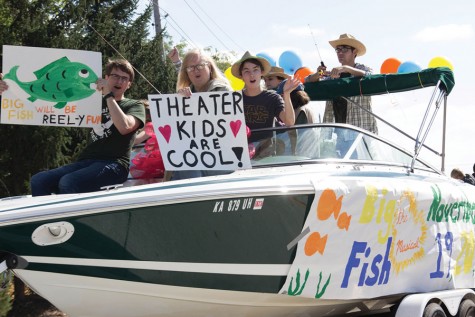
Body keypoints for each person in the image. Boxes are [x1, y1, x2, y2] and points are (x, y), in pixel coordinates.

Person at [0, 58, 146, 196]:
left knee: (69, 181)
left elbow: (124, 127)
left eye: (124, 78)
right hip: (86, 162)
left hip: (115, 165)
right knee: (39, 180)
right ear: (106, 78)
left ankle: (69, 222)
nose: (119, 81)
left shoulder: (134, 105)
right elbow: (41, 107)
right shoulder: (89, 100)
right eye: (115, 76)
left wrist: (108, 96)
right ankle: (50, 221)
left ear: (129, 84)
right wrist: (8, 90)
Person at [167, 48, 232, 180]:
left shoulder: (222, 90)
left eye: (200, 66)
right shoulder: (183, 94)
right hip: (190, 159)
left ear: (209, 67)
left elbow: (224, 123)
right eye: (190, 68)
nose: (195, 70)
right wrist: (181, 105)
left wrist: (192, 106)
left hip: (220, 159)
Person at [305, 33, 378, 135]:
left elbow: (369, 76)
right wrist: (319, 73)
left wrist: (346, 68)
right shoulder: (333, 75)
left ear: (355, 51)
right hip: (339, 133)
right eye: (338, 50)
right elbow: (307, 81)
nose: (340, 53)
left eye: (344, 49)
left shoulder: (363, 69)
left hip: (362, 132)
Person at [231, 51, 298, 159]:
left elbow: (289, 122)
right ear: (241, 76)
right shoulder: (233, 99)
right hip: (239, 157)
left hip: (267, 158)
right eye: (246, 71)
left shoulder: (273, 97)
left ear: (261, 73)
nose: (252, 75)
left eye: (255, 70)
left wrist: (286, 94)